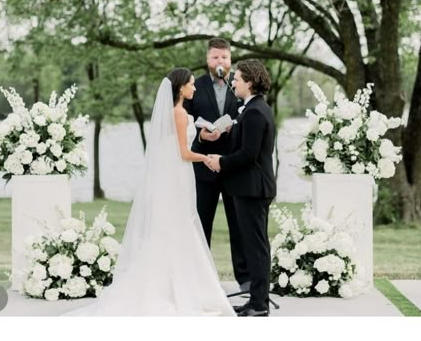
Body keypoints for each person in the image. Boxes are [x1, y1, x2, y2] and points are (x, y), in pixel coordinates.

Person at [65, 69, 235, 316]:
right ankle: (174, 289)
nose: (195, 88)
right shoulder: (180, 113)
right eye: (191, 84)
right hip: (178, 175)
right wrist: (206, 158)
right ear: (180, 88)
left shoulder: (174, 114)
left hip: (173, 175)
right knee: (179, 227)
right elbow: (183, 153)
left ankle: (167, 284)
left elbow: (173, 146)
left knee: (170, 228)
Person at [208, 59, 276, 317]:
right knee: (253, 246)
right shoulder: (250, 108)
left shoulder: (256, 112)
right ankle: (256, 301)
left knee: (257, 248)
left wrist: (220, 162)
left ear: (249, 82)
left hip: (253, 189)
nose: (233, 82)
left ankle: (260, 304)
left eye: (237, 79)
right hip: (248, 188)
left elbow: (249, 154)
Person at [184, 38, 250, 292]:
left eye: (224, 57)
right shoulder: (195, 86)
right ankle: (200, 280)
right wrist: (201, 136)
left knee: (239, 223)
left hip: (234, 165)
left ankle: (245, 279)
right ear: (207, 60)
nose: (220, 61)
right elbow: (186, 123)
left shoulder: (241, 84)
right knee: (201, 222)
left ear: (230, 59)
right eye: (215, 57)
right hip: (203, 166)